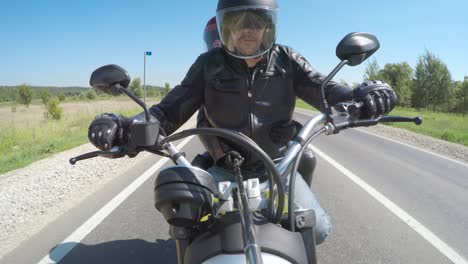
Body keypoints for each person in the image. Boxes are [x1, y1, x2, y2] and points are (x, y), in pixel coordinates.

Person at [88, 0, 397, 245]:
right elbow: (169, 110)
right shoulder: (208, 65)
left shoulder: (287, 59)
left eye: (257, 22)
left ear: (269, 27)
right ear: (226, 28)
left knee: (318, 229)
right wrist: (126, 125)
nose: (248, 30)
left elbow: (324, 88)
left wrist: (361, 94)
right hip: (226, 165)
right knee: (185, 227)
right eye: (238, 22)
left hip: (277, 164)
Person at [195, 15, 318, 186]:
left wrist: (293, 129)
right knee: (194, 174)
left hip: (272, 158)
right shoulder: (210, 74)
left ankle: (302, 202)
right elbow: (203, 124)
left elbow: (274, 113)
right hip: (228, 157)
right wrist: (221, 154)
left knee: (307, 158)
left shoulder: (277, 65)